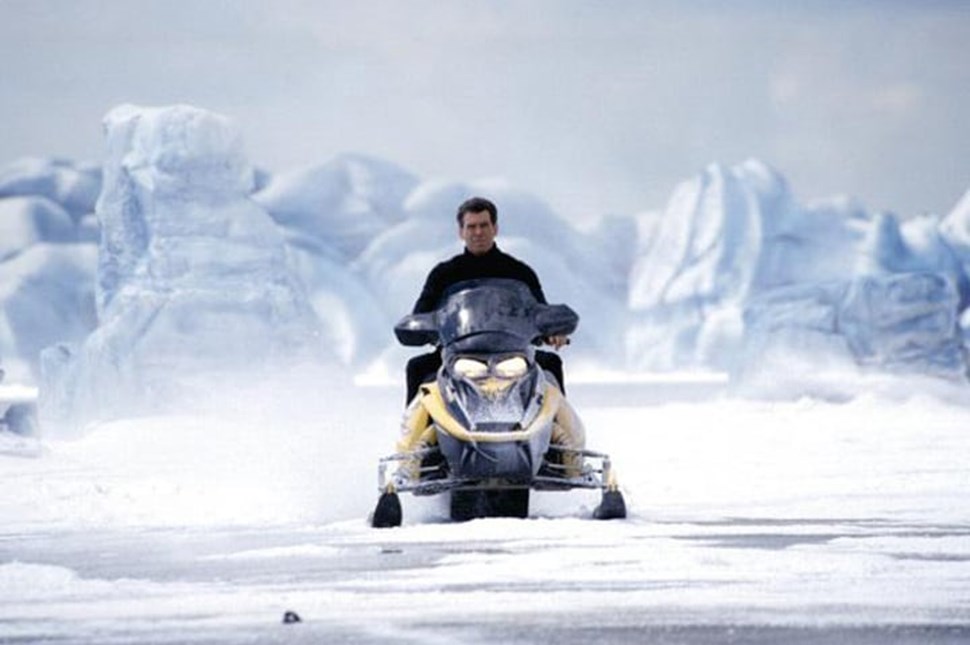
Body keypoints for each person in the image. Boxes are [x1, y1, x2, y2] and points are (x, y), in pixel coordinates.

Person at [404, 196, 570, 404]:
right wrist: (420, 329)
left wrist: (553, 332)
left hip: (513, 356)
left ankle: (560, 432)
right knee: (417, 368)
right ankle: (415, 435)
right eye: (471, 226)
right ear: (461, 232)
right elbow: (421, 314)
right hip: (456, 356)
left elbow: (539, 313)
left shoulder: (519, 272)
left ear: (495, 228)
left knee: (551, 364)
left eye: (484, 225)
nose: (478, 232)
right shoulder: (443, 274)